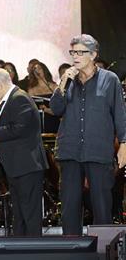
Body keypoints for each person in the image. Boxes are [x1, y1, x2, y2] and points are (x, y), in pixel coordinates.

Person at [49, 34, 126, 235]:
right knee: (69, 206)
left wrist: (124, 143)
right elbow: (56, 109)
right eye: (73, 52)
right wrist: (62, 83)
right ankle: (72, 247)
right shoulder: (68, 81)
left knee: (102, 205)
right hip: (70, 150)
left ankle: (104, 248)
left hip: (98, 150)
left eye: (80, 52)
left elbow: (120, 114)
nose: (75, 56)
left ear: (93, 55)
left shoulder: (110, 80)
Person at [0, 69, 48, 236]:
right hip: (17, 167)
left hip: (26, 166)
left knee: (29, 215)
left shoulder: (19, 99)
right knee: (20, 215)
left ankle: (33, 248)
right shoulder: (9, 100)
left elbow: (18, 129)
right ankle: (20, 248)